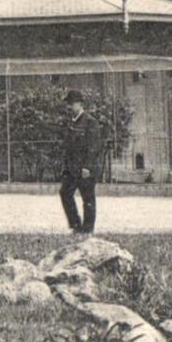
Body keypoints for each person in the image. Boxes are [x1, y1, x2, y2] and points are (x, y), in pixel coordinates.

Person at [59, 88, 102, 234]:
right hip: (72, 169)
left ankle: (88, 229)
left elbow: (94, 147)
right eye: (68, 104)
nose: (69, 107)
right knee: (65, 193)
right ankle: (76, 225)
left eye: (71, 104)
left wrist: (87, 167)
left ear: (79, 104)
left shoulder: (90, 122)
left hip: (85, 169)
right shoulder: (70, 123)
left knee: (88, 199)